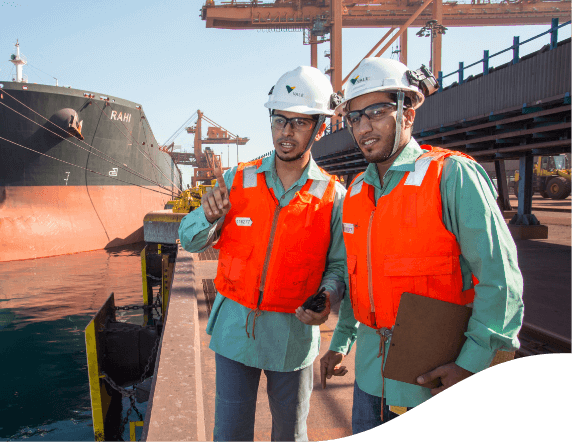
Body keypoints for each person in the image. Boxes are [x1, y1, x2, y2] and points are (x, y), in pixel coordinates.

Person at [320, 58, 524, 432]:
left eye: (377, 112)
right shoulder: (355, 194)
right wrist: (341, 341)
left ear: (407, 113)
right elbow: (359, 281)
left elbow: (501, 277)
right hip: (370, 380)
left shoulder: (451, 175)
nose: (364, 126)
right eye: (354, 117)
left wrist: (472, 364)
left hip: (438, 377)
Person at [178, 66, 347, 442]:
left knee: (289, 433)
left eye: (299, 122)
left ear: (319, 128)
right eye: (279, 120)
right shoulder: (238, 179)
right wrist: (206, 216)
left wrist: (328, 296)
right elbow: (189, 240)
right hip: (236, 331)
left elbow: (338, 266)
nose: (286, 132)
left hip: (293, 337)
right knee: (231, 433)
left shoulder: (333, 197)